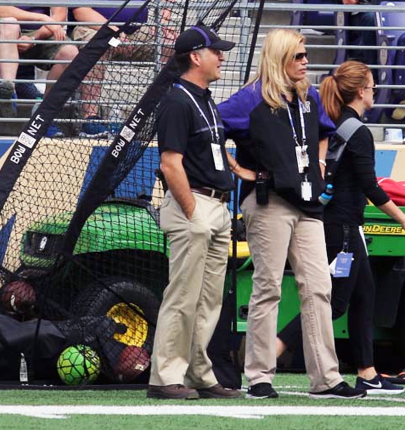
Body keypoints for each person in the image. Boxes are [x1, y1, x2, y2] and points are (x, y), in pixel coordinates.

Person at [218, 29, 366, 400]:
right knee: (267, 288)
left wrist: (316, 165)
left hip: (307, 205)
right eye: (298, 56)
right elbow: (211, 127)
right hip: (269, 203)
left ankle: (326, 379)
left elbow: (324, 133)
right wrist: (239, 170)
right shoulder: (251, 99)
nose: (305, 61)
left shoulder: (309, 96)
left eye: (305, 55)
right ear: (280, 58)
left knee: (319, 286)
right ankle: (259, 376)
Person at [275, 60, 405, 396]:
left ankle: (367, 372)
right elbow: (370, 187)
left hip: (340, 225)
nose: (374, 92)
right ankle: (275, 349)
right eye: (371, 86)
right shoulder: (358, 132)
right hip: (342, 228)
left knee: (363, 296)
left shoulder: (340, 125)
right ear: (360, 92)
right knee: (335, 302)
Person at [146, 24, 252, 400]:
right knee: (183, 296)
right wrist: (192, 211)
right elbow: (170, 163)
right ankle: (165, 377)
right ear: (195, 57)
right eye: (215, 51)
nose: (221, 57)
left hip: (216, 206)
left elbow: (212, 147)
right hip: (194, 205)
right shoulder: (176, 101)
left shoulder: (203, 98)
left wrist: (237, 171)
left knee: (209, 300)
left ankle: (198, 374)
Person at [69, 2, 179, 137]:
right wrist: (114, 31)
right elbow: (81, 12)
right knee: (94, 44)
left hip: (135, 30)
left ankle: (167, 116)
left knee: (172, 44)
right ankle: (90, 119)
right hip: (95, 27)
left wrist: (162, 20)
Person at [0, 5, 80, 136]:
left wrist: (34, 38)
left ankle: (43, 116)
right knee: (10, 23)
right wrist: (42, 18)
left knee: (70, 53)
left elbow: (58, 16)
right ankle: (8, 90)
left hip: (37, 33)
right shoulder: (39, 18)